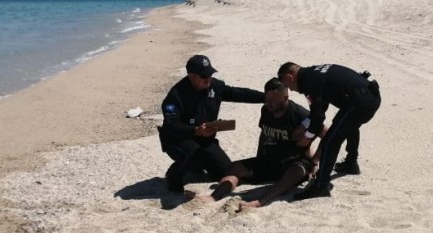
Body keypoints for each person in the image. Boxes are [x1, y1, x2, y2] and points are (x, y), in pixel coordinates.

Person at [195, 78, 325, 207]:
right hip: (270, 159)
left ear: (285, 98)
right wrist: (259, 157)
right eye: (267, 99)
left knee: (295, 172)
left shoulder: (300, 114)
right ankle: (214, 196)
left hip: (293, 162)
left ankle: (261, 201)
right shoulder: (266, 110)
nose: (269, 103)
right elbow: (264, 133)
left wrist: (314, 162)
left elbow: (326, 135)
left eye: (273, 100)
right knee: (235, 167)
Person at [159, 55, 264, 193]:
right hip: (178, 140)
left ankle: (197, 165)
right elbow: (172, 127)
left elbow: (239, 93)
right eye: (204, 76)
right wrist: (196, 130)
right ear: (191, 75)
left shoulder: (215, 86)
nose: (208, 78)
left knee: (224, 172)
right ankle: (173, 175)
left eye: (210, 74)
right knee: (196, 155)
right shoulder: (175, 96)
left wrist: (266, 97)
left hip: (204, 138)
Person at [277, 62, 381, 200]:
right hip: (368, 95)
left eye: (288, 85)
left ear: (289, 77)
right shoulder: (312, 73)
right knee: (347, 125)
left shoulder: (308, 82)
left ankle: (320, 186)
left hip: (361, 103)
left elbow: (318, 116)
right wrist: (306, 124)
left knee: (330, 142)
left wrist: (307, 137)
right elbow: (320, 105)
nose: (290, 90)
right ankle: (351, 163)